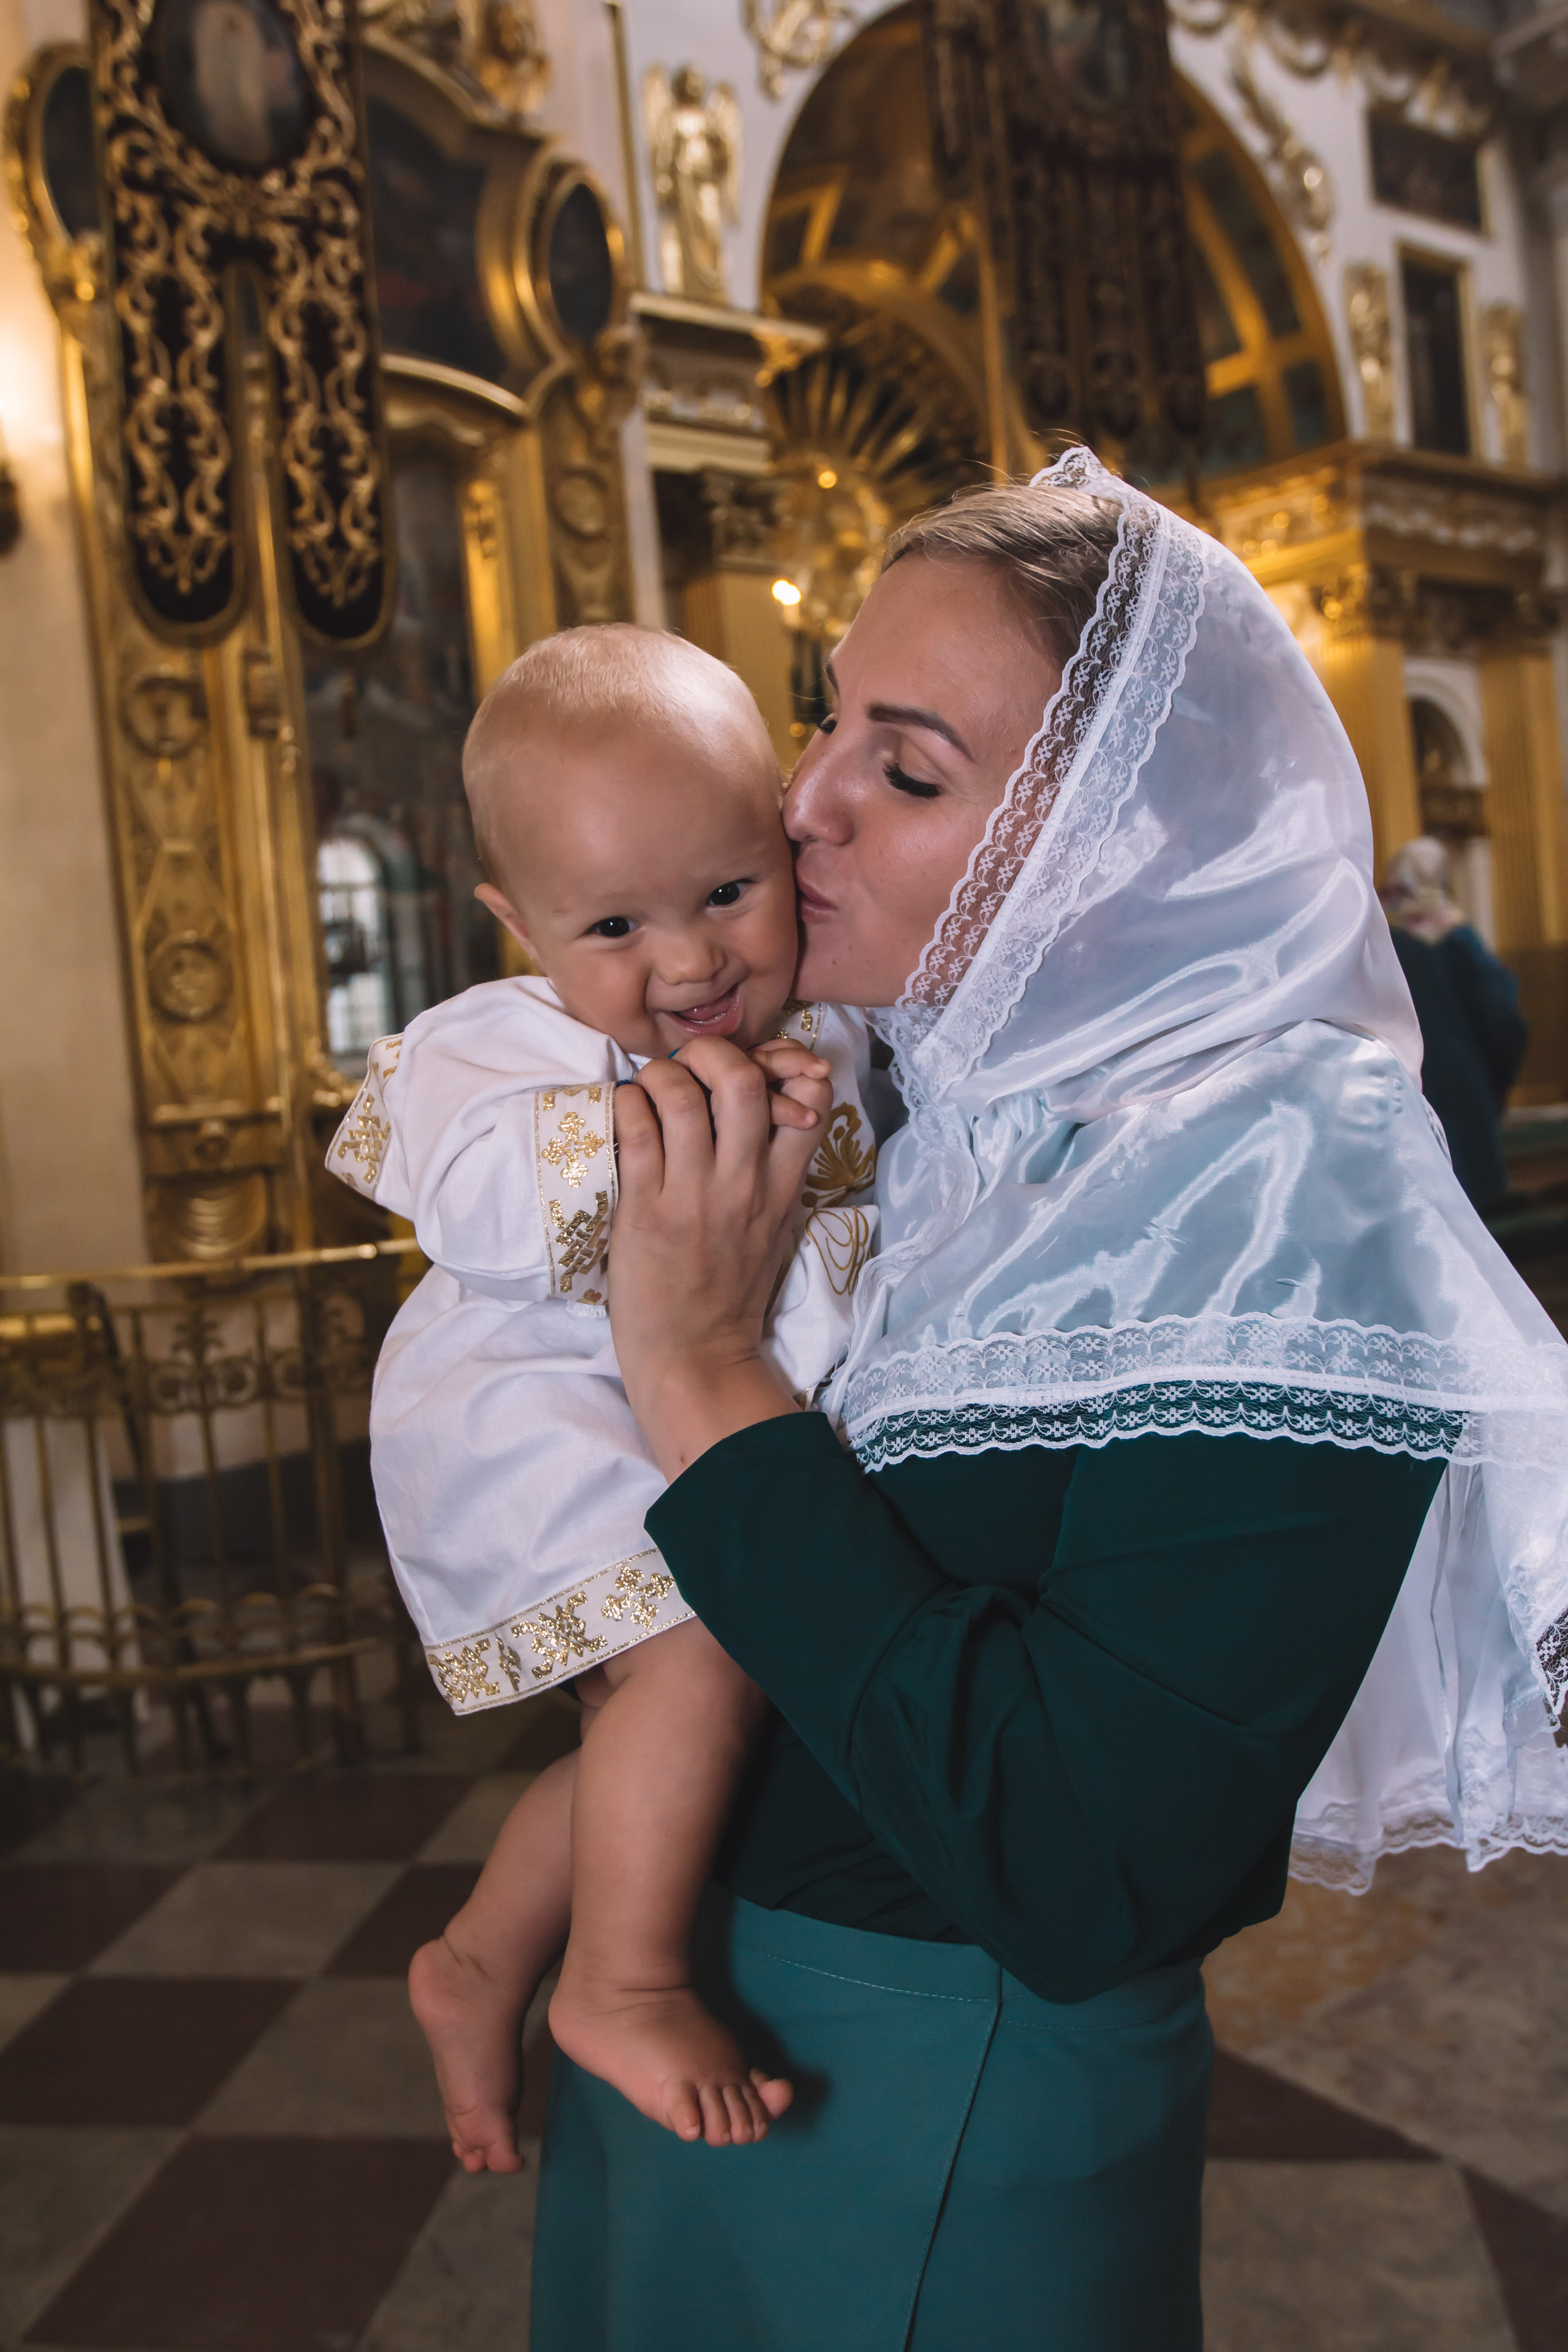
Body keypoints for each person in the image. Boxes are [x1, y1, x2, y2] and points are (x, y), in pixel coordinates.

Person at [530, 450, 1568, 2352]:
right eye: (827, 718)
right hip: (696, 2013)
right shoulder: (937, 1098)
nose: (805, 799)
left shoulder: (1289, 1171)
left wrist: (699, 1367)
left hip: (935, 2087)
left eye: (910, 770)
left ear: (1123, 844)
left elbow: (1092, 1862)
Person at [328, 627, 878, 2170]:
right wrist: (674, 1120)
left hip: (689, 1402)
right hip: (535, 1407)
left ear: (782, 836)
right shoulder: (499, 1042)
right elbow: (478, 1204)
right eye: (617, 924)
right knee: (693, 1660)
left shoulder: (822, 1026)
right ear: (518, 922)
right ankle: (619, 1982)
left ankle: (482, 1954)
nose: (689, 962)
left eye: (729, 891)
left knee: (690, 1705)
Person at [1382, 835, 1528, 1208]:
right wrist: (1498, 1079)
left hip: (1405, 1087)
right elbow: (1500, 1020)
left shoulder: (1382, 943)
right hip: (1462, 1087)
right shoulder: (1459, 939)